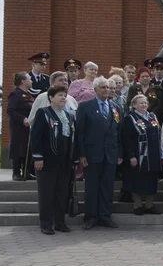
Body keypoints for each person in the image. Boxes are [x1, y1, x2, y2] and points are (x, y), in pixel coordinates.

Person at [76, 77, 123, 230]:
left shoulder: (116, 107)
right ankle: (90, 217)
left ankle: (105, 216)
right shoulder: (85, 106)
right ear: (95, 90)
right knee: (92, 187)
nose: (106, 90)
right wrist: (81, 154)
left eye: (108, 88)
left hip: (110, 153)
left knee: (107, 187)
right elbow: (80, 132)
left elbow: (119, 132)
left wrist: (119, 153)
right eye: (103, 87)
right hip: (92, 153)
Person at [30, 86, 76, 234]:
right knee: (47, 193)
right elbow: (36, 137)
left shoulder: (68, 116)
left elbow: (72, 139)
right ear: (51, 98)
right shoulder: (43, 113)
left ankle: (60, 222)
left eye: (65, 96)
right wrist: (38, 157)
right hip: (47, 161)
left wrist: (73, 158)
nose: (63, 98)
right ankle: (46, 223)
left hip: (64, 162)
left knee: (62, 192)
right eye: (60, 95)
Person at [122, 95, 162, 216]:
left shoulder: (152, 116)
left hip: (153, 154)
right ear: (134, 105)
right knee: (137, 180)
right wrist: (131, 155)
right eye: (141, 103)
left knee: (152, 180)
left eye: (145, 103)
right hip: (138, 155)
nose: (144, 105)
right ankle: (138, 205)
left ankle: (150, 205)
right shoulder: (130, 118)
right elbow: (126, 138)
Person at [7, 72, 34, 181]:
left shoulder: (28, 94)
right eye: (29, 79)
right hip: (19, 126)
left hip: (28, 126)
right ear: (23, 81)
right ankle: (16, 172)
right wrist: (22, 118)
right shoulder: (15, 94)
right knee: (18, 148)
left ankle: (26, 172)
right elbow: (10, 110)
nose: (31, 81)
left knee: (27, 148)